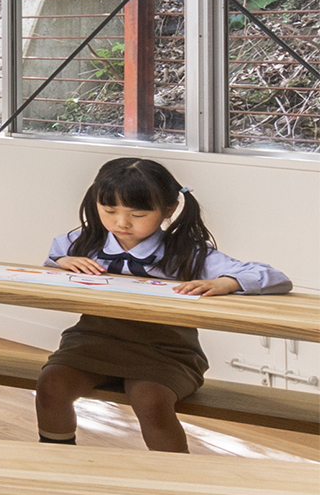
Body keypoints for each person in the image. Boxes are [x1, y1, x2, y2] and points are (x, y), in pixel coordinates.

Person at [37, 157, 288, 453]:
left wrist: (227, 282)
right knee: (50, 385)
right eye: (109, 211)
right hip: (92, 341)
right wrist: (62, 261)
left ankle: (176, 475)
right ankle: (56, 459)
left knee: (151, 401)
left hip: (166, 351)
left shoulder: (186, 253)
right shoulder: (83, 241)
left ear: (168, 209)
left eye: (138, 214)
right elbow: (52, 258)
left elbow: (274, 277)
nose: (121, 223)